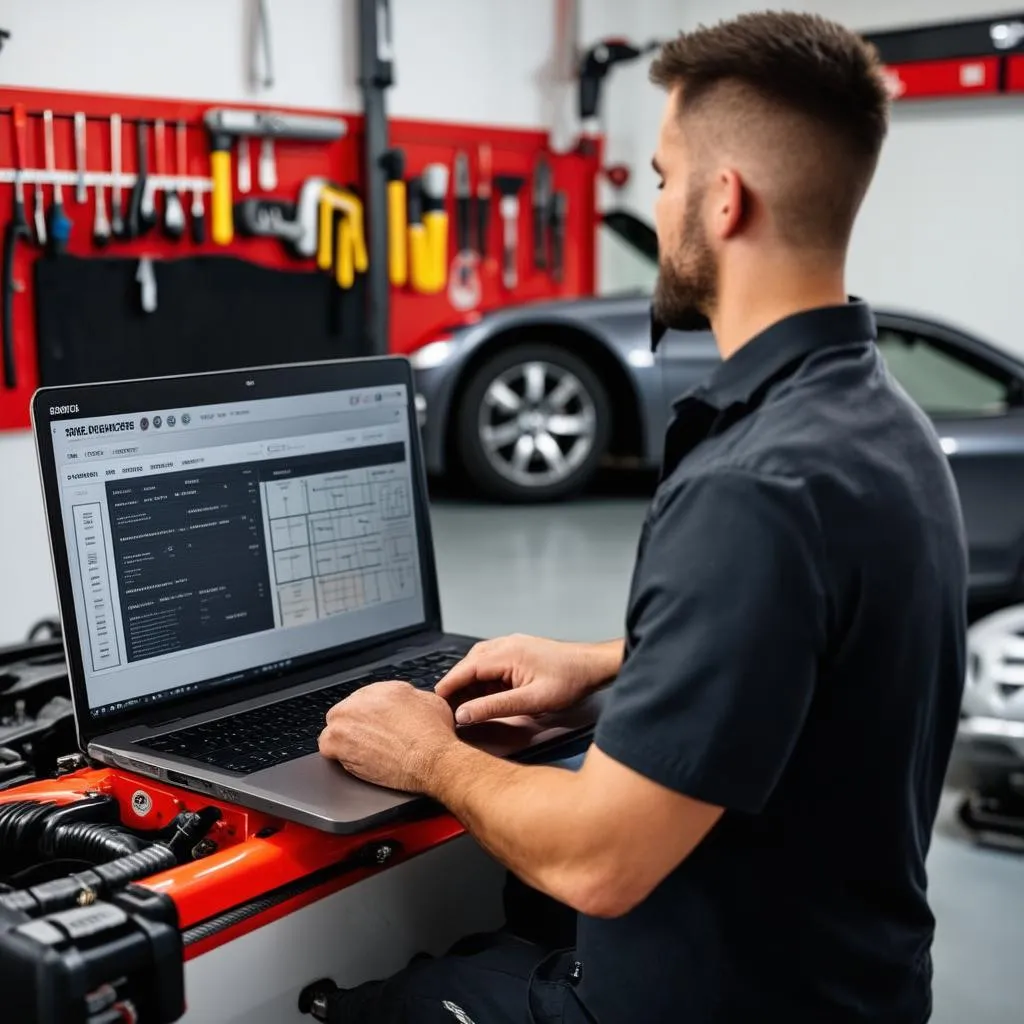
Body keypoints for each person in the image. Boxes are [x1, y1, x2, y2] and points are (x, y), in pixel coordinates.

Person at [317, 11, 967, 1023]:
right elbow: (822, 636)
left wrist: (428, 755)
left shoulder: (755, 484)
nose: (656, 208)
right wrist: (611, 664)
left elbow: (598, 861)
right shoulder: (882, 423)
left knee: (366, 1005)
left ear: (722, 199)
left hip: (719, 999)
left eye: (661, 179)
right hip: (844, 979)